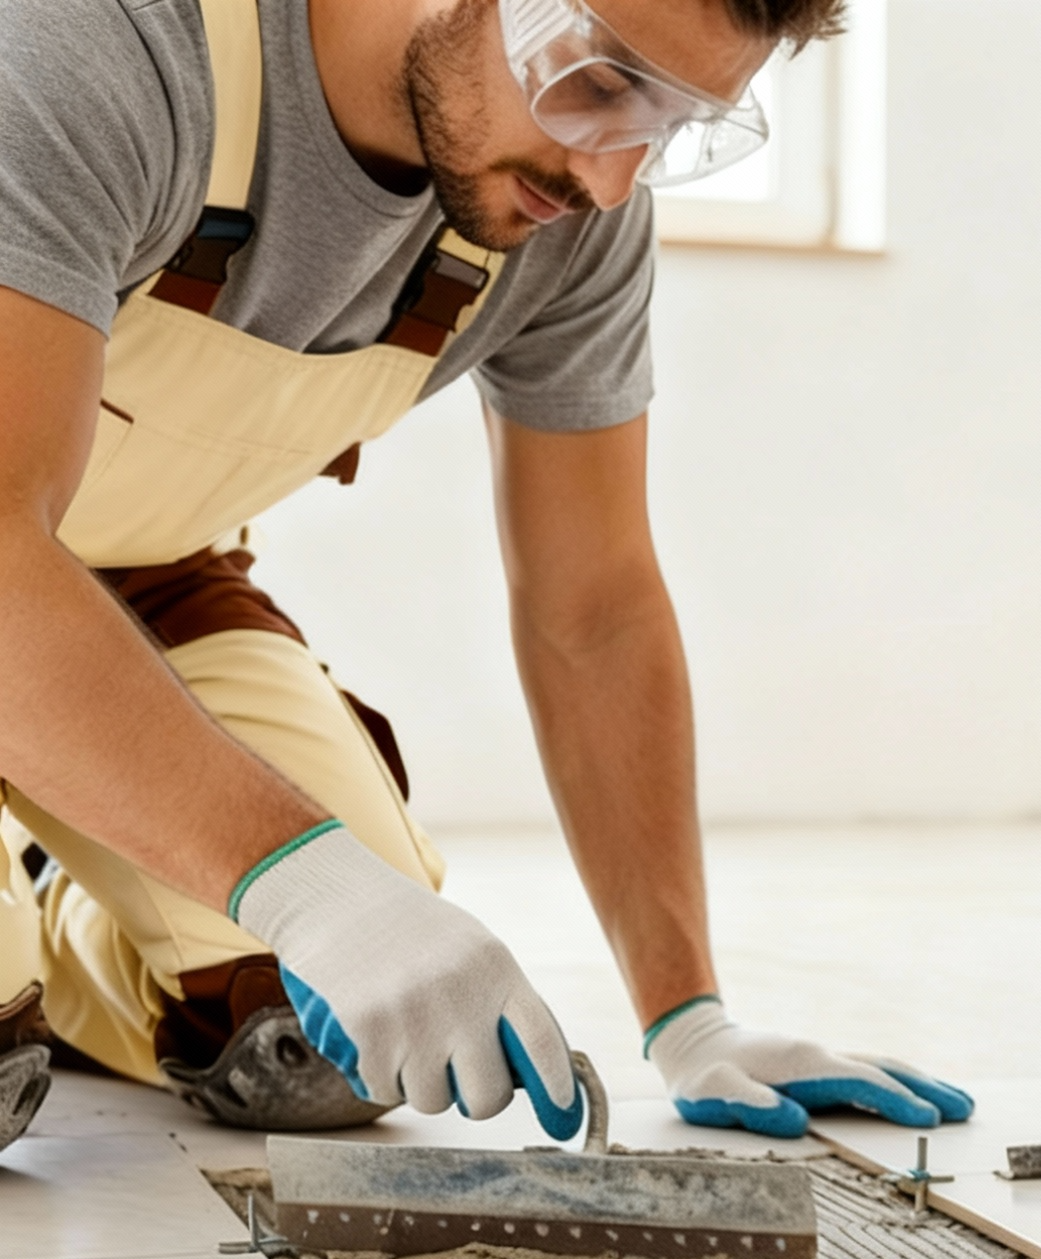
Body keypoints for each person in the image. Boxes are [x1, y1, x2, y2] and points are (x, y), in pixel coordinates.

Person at [0, 0, 970, 1157]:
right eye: (601, 86)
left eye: (671, 124)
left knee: (329, 1039)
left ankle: (59, 898)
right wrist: (316, 887)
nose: (609, 180)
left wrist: (688, 1015)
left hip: (142, 588)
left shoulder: (562, 218)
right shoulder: (98, 52)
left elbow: (591, 607)